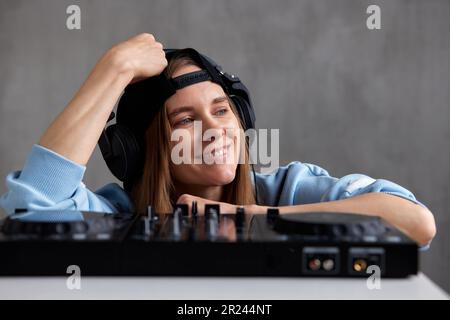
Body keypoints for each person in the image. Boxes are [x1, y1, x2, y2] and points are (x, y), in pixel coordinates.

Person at [0, 33, 436, 247]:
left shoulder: (286, 190)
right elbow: (30, 209)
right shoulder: (117, 214)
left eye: (222, 110)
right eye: (185, 119)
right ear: (142, 148)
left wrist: (248, 216)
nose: (215, 129)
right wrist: (114, 69)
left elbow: (416, 223)